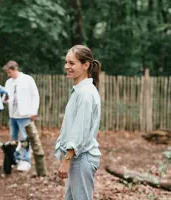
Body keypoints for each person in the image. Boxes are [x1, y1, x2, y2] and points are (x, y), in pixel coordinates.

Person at [54, 45, 101, 200]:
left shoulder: (86, 93)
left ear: (86, 65)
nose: (67, 66)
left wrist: (66, 160)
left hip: (81, 159)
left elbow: (80, 131)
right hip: (76, 158)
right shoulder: (80, 91)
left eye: (72, 63)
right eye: (66, 62)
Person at [2, 60, 40, 172]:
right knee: (13, 139)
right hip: (13, 115)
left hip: (25, 114)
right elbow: (6, 96)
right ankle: (16, 159)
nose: (8, 75)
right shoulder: (8, 82)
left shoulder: (27, 79)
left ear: (14, 69)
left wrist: (34, 111)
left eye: (9, 72)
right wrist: (4, 99)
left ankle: (26, 161)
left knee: (25, 139)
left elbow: (35, 96)